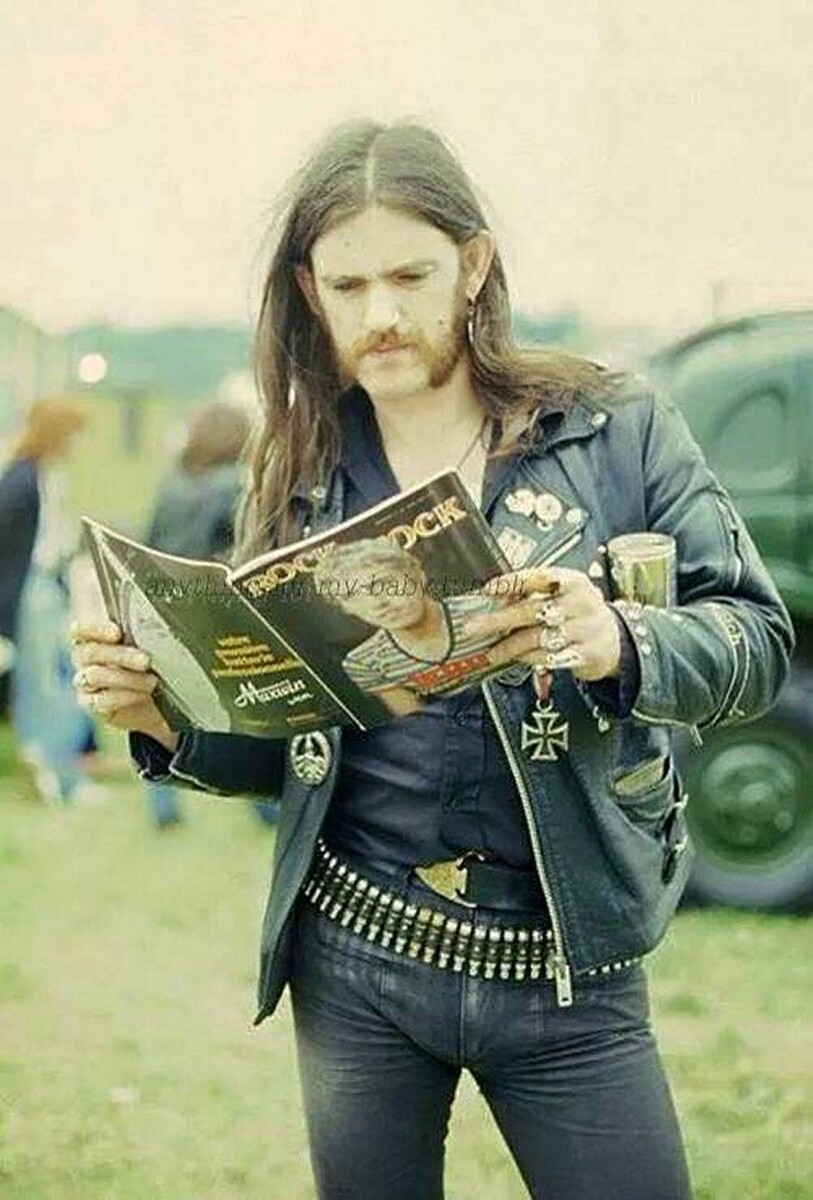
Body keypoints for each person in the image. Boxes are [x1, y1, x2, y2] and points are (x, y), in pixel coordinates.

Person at [70, 120, 794, 1199]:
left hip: (569, 968)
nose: (381, 315)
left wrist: (620, 640)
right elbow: (281, 746)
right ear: (310, 292)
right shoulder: (298, 465)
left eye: (410, 276)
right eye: (347, 284)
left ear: (474, 265)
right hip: (354, 958)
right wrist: (164, 718)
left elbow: (758, 638)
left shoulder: (615, 427)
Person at [0, 399, 101, 802]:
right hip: (32, 591)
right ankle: (60, 775)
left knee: (55, 680)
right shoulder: (22, 481)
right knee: (47, 684)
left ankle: (60, 771)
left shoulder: (39, 477)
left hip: (43, 588)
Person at [312, 535, 503, 715]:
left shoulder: (488, 607)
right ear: (346, 609)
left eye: (384, 584)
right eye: (353, 596)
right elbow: (422, 723)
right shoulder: (364, 663)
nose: (378, 603)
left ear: (418, 575)